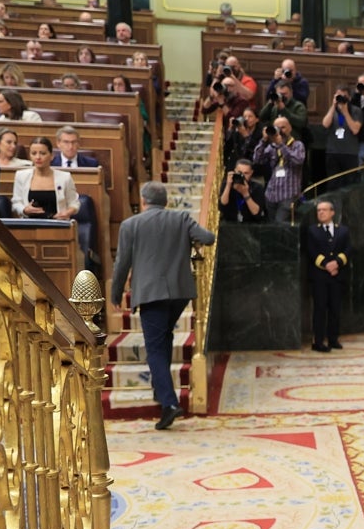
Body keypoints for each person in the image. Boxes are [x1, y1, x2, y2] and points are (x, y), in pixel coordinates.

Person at [111, 181, 215, 430]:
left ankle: (168, 403)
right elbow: (208, 238)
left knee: (155, 348)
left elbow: (122, 263)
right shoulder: (181, 218)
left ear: (143, 200)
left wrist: (116, 294)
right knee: (164, 338)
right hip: (179, 292)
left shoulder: (130, 224)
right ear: (165, 201)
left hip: (150, 293)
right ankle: (161, 391)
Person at [301, 199, 350, 351]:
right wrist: (327, 265)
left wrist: (337, 263)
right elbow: (311, 251)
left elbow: (347, 250)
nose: (321, 212)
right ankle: (319, 341)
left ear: (332, 212)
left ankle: (333, 339)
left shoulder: (343, 230)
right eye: (318, 210)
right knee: (320, 309)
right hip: (319, 277)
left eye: (324, 210)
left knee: (335, 309)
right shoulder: (312, 230)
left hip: (337, 275)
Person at [52, 125, 100, 266]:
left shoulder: (91, 164)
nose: (70, 146)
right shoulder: (50, 165)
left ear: (79, 143)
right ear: (58, 143)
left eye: (74, 142)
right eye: (66, 142)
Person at [10, 136, 79, 222]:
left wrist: (67, 213)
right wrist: (24, 210)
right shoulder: (21, 176)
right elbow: (16, 203)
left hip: (58, 225)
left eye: (42, 153)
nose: (38, 157)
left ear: (51, 156)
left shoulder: (65, 177)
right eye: (34, 153)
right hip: (30, 225)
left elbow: (74, 203)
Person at [252, 115, 305, 223]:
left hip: (288, 194)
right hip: (271, 194)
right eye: (277, 128)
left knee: (280, 225)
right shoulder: (272, 147)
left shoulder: (297, 145)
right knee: (272, 227)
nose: (280, 131)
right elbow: (257, 160)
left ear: (290, 128)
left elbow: (297, 161)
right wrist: (263, 140)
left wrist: (281, 145)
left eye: (283, 127)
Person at [321, 85, 363, 189]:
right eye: (338, 96)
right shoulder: (332, 111)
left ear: (349, 98)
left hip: (349, 153)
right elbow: (325, 124)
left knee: (349, 185)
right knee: (333, 183)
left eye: (344, 96)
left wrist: (345, 113)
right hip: (333, 152)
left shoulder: (356, 111)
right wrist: (333, 106)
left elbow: (355, 129)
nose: (341, 99)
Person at [111, 73, 152, 157]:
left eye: (120, 85)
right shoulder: (108, 100)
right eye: (115, 85)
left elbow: (144, 116)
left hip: (132, 132)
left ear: (126, 86)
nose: (117, 87)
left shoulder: (134, 100)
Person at [219, 158, 267, 223]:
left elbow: (256, 213)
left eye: (246, 173)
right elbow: (222, 205)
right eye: (239, 173)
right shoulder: (227, 184)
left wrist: (246, 194)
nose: (242, 176)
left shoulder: (257, 187)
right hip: (230, 224)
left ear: (251, 173)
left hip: (249, 225)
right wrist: (228, 185)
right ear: (235, 171)